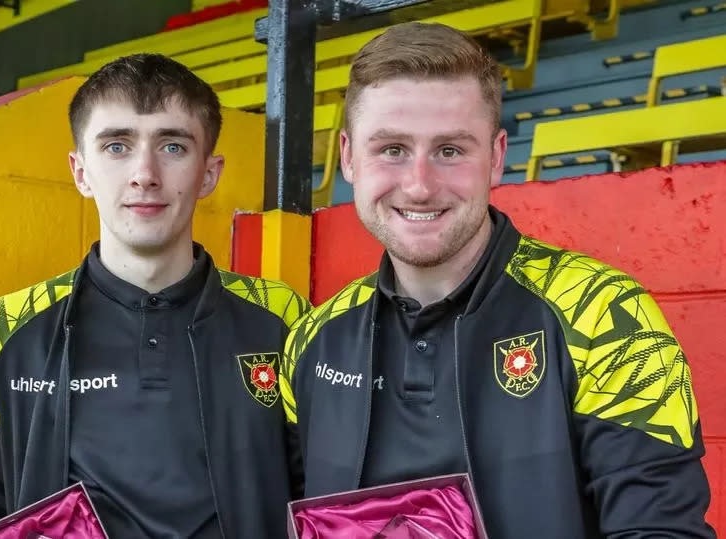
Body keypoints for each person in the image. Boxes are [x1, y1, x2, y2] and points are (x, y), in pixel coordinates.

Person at [281, 23, 714, 538]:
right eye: (392, 149)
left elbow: (661, 530)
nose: (420, 185)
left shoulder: (604, 315)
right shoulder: (312, 341)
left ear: (497, 157)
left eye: (450, 151)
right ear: (349, 157)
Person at [0, 53, 309, 538]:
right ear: (80, 171)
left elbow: (319, 495)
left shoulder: (283, 317)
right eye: (117, 146)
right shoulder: (5, 328)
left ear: (208, 173)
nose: (145, 174)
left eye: (173, 146)